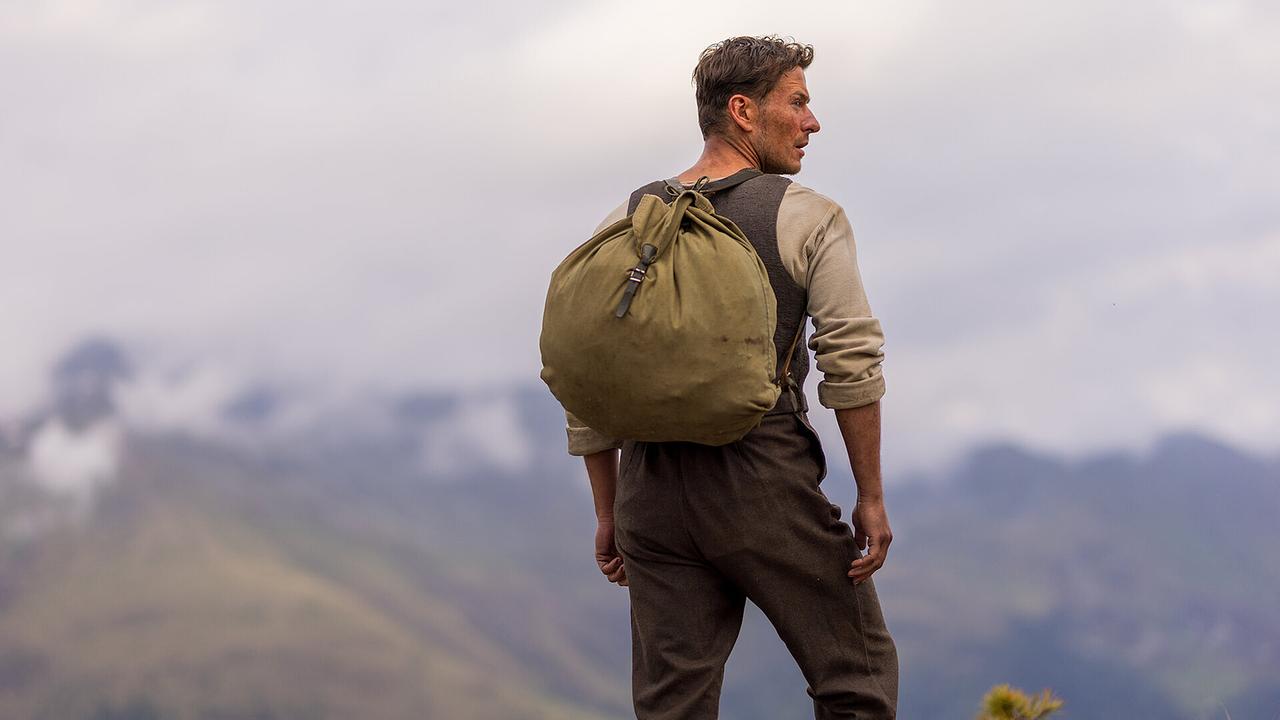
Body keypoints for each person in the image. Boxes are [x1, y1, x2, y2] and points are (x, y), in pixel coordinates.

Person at [563, 35, 899, 719]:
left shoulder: (627, 220)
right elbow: (851, 358)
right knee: (856, 677)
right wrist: (870, 496)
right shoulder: (806, 216)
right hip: (760, 477)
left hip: (649, 491)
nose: (812, 122)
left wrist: (609, 511)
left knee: (673, 704)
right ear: (744, 111)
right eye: (797, 103)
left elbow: (586, 370)